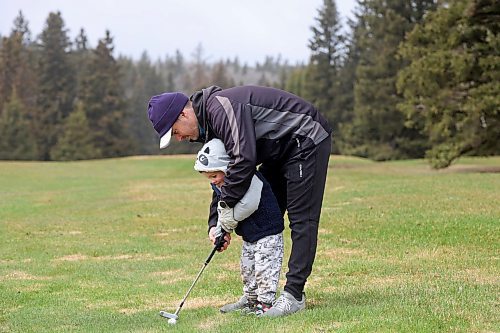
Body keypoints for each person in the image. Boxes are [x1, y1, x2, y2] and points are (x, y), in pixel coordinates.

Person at [147, 85, 332, 317]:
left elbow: (243, 161)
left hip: (304, 137)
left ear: (183, 114)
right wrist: (216, 224)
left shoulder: (220, 108)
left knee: (301, 219)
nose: (180, 138)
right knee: (263, 214)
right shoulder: (209, 126)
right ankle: (255, 298)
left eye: (175, 132)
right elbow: (223, 177)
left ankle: (294, 295)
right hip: (277, 150)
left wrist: (226, 210)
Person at [193, 138, 284, 315]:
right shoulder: (221, 185)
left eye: (214, 176)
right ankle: (250, 300)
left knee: (265, 269)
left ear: (227, 168)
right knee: (247, 269)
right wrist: (218, 230)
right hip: (250, 235)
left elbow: (246, 207)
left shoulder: (249, 179)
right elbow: (222, 208)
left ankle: (265, 304)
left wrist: (226, 225)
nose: (213, 182)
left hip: (267, 233)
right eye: (209, 178)